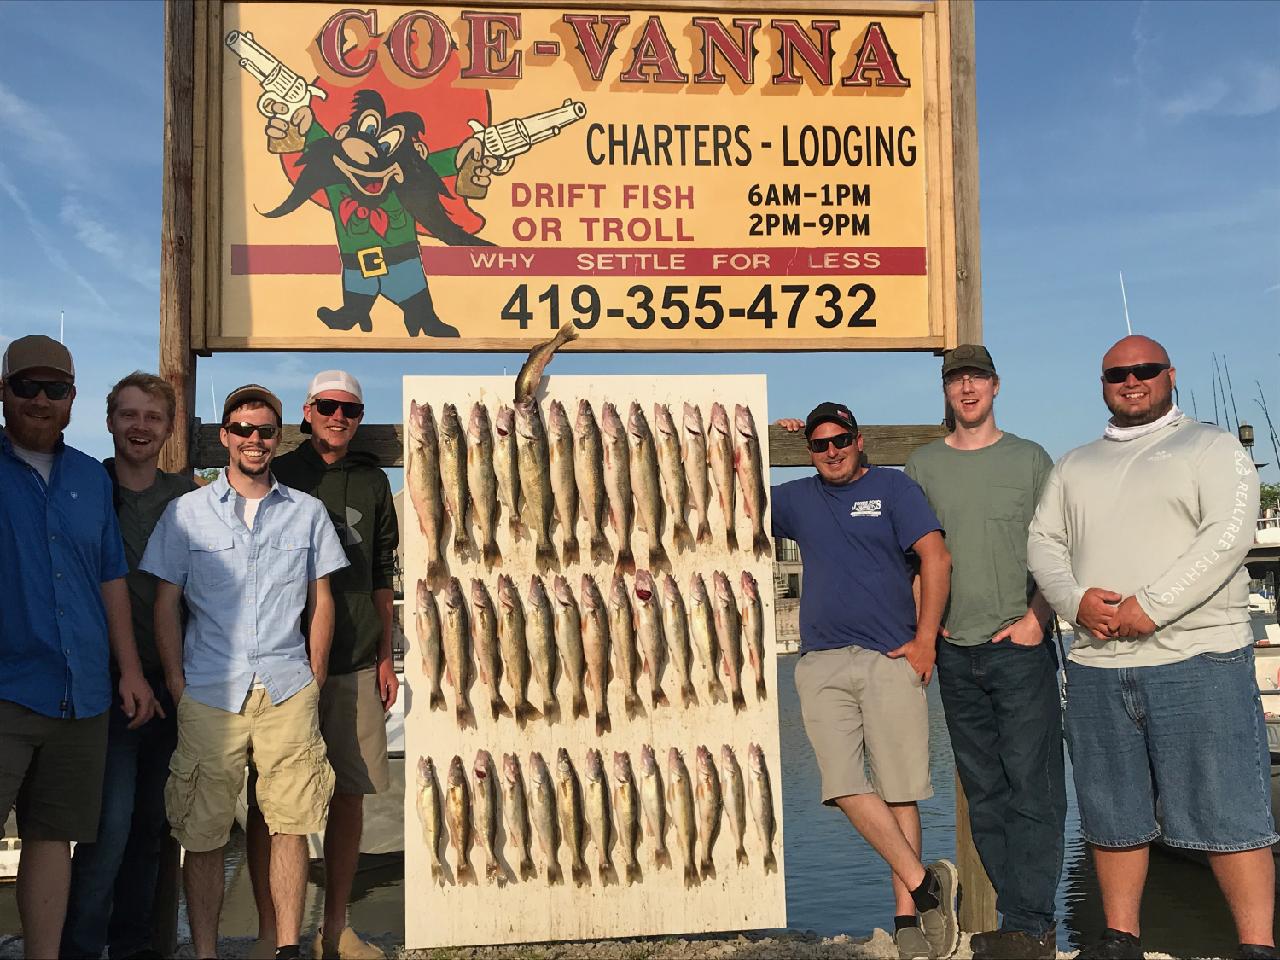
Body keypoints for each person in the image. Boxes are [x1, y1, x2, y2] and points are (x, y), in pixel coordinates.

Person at [1028, 335, 1274, 960]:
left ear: (1170, 375)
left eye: (1144, 370)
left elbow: (1228, 536)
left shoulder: (1212, 448)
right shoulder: (1073, 464)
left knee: (1232, 812)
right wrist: (1075, 600)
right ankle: (1121, 938)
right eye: (1116, 373)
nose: (1130, 381)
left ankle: (1256, 946)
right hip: (1095, 666)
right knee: (1111, 811)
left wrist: (1151, 606)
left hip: (1199, 660)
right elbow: (1043, 544)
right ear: (1102, 383)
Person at [140, 384, 349, 960]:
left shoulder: (306, 513)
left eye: (266, 431)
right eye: (244, 430)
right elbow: (165, 603)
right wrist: (178, 684)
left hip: (287, 687)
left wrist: (316, 674)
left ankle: (286, 947)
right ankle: (204, 950)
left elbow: (321, 598)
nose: (255, 440)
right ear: (226, 436)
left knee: (291, 823)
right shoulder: (186, 512)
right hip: (209, 690)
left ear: (278, 438)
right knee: (202, 830)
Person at [775, 402, 958, 960]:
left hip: (891, 657)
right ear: (807, 449)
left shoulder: (894, 489)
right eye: (818, 443)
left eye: (841, 439)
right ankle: (927, 885)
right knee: (842, 785)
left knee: (901, 789)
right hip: (821, 661)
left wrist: (926, 640)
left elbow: (936, 558)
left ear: (859, 441)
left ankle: (906, 918)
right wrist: (759, 438)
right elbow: (725, 484)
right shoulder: (795, 499)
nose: (831, 450)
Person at [904, 345, 1066, 960]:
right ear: (945, 391)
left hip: (1018, 647)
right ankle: (1019, 921)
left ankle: (1033, 923)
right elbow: (916, 556)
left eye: (976, 378)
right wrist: (928, 628)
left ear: (996, 386)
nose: (966, 388)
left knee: (1036, 788)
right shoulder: (922, 466)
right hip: (954, 652)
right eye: (955, 379)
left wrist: (1037, 619)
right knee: (985, 791)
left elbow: (1059, 549)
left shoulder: (1030, 460)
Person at [0, 336, 158, 960]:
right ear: (4, 390)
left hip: (83, 694)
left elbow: (109, 577)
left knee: (53, 838)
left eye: (55, 389)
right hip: (7, 687)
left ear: (72, 400)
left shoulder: (92, 478)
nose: (41, 400)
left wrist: (131, 672)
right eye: (27, 386)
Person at [245, 371, 398, 960]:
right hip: (282, 659)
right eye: (328, 407)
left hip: (356, 656)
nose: (339, 417)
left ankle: (336, 928)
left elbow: (383, 570)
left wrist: (386, 653)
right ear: (307, 412)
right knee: (269, 796)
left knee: (350, 796)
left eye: (351, 410)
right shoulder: (279, 470)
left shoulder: (372, 479)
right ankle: (268, 929)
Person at [61, 372, 197, 960]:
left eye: (152, 417)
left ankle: (136, 948)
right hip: (104, 686)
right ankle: (81, 947)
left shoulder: (189, 496)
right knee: (105, 833)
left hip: (173, 682)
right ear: (110, 420)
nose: (140, 426)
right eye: (129, 415)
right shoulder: (85, 485)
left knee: (151, 833)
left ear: (168, 428)